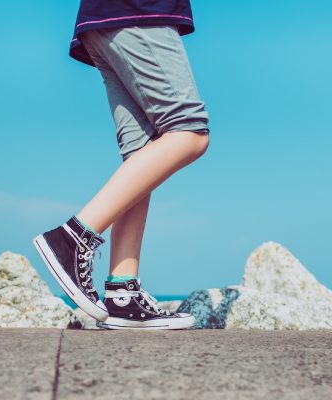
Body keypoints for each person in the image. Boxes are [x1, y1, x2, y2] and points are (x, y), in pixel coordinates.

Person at [32, 0, 210, 330]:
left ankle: (122, 292)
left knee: (142, 154)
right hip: (140, 12)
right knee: (189, 130)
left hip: (103, 20)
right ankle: (72, 238)